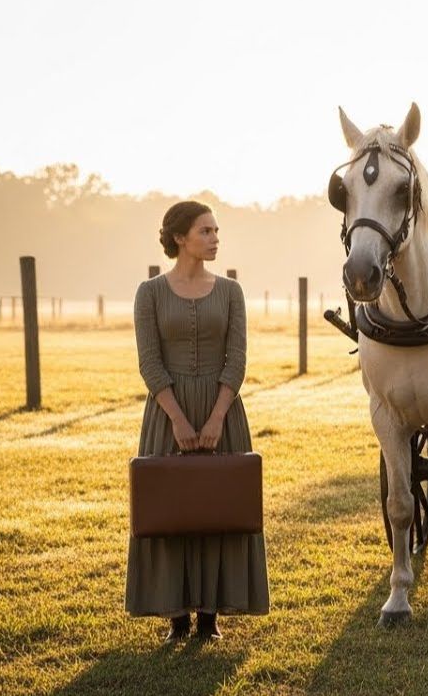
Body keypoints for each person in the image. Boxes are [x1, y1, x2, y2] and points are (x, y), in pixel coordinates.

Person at [126, 200, 269, 641]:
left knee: (218, 509)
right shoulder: (149, 292)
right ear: (179, 238)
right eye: (205, 231)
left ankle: (210, 618)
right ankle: (177, 618)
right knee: (173, 510)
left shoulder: (231, 292)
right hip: (166, 412)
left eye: (216, 231)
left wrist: (216, 417)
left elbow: (238, 359)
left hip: (221, 409)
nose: (214, 239)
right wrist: (178, 420)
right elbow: (149, 362)